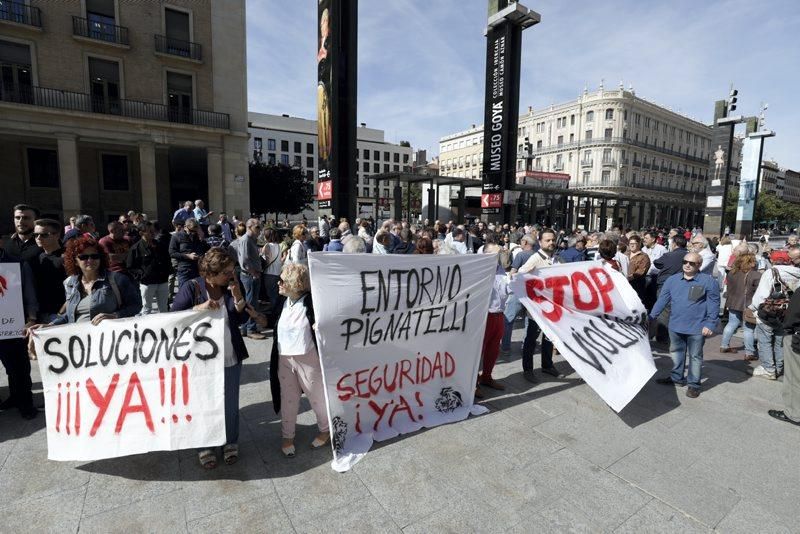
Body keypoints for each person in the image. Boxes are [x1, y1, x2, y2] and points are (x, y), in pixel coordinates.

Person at [171, 247, 249, 468]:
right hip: (200, 359)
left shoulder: (233, 286)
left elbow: (240, 319)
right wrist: (199, 308)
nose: (231, 276)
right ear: (210, 273)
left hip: (230, 354)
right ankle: (205, 445)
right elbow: (174, 317)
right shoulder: (192, 287)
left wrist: (238, 298)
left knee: (230, 403)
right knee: (204, 402)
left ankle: (230, 441)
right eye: (226, 273)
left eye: (232, 271)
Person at [269, 263, 329, 457]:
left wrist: (319, 326)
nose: (278, 283)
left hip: (308, 358)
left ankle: (326, 430)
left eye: (282, 281)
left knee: (317, 398)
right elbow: (272, 322)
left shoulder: (312, 302)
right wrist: (258, 317)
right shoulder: (282, 301)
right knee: (288, 399)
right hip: (284, 358)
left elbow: (325, 324)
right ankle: (287, 436)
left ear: (295, 284)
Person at [650, 252, 720, 398]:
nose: (687, 265)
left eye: (692, 263)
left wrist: (711, 324)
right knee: (676, 352)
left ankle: (694, 384)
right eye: (685, 262)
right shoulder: (672, 280)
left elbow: (714, 304)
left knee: (695, 356)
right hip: (675, 325)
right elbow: (662, 300)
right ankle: (676, 378)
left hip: (697, 327)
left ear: (699, 265)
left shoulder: (708, 281)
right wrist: (651, 316)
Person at [47, 236, 141, 327]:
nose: (90, 260)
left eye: (95, 256)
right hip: (79, 339)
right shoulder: (70, 283)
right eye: (83, 257)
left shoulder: (118, 279)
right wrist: (49, 326)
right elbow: (69, 315)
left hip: (108, 337)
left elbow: (135, 306)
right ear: (75, 261)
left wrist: (115, 315)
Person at [748, 245, 800, 380]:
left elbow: (761, 296)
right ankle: (779, 367)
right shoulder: (797, 273)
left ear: (774, 261)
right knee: (779, 341)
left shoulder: (771, 272)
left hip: (769, 313)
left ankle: (768, 369)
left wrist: (754, 309)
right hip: (787, 314)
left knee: (765, 340)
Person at [518, 228, 563, 381]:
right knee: (531, 339)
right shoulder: (535, 259)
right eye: (547, 240)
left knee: (549, 337)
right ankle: (528, 369)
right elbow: (520, 274)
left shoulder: (557, 258)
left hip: (552, 306)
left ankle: (547, 365)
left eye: (552, 240)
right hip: (536, 308)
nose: (551, 243)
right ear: (540, 242)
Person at [475, 243, 509, 398]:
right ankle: (473, 382)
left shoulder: (502, 271)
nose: (500, 255)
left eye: (500, 252)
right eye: (496, 253)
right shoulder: (479, 271)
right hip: (484, 316)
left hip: (499, 314)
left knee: (493, 350)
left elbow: (508, 289)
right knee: (478, 352)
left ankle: (487, 377)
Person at [768, 288, 800, 426]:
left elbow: (792, 317)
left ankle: (794, 413)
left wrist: (787, 328)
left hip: (797, 338)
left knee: (794, 377)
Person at [720, 252, 761, 360]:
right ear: (751, 262)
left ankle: (724, 346)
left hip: (733, 302)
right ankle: (749, 353)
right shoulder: (756, 275)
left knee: (731, 324)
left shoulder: (731, 273)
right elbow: (759, 292)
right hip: (748, 305)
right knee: (748, 329)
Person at [126, 221, 171, 314]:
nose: (152, 233)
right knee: (146, 309)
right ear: (141, 233)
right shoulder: (136, 248)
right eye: (149, 231)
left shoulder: (160, 245)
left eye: (153, 231)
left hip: (162, 281)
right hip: (147, 283)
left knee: (164, 309)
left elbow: (167, 260)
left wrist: (167, 272)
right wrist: (142, 276)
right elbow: (130, 267)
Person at [232, 218, 265, 339]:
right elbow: (244, 261)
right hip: (250, 275)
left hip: (252, 275)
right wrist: (253, 272)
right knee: (251, 303)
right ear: (249, 227)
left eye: (259, 227)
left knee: (251, 301)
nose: (259, 230)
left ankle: (247, 328)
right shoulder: (246, 239)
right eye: (257, 227)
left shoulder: (250, 239)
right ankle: (251, 329)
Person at [30, 218, 66, 323]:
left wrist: (61, 313)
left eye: (44, 235)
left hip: (60, 315)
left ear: (57, 235)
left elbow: (75, 289)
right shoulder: (37, 258)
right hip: (39, 315)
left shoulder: (67, 257)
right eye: (35, 235)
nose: (38, 238)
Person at [169, 218, 209, 289]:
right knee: (184, 292)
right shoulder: (177, 236)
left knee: (198, 293)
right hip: (185, 269)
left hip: (198, 269)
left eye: (195, 231)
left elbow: (208, 249)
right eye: (191, 230)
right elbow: (172, 253)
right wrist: (187, 256)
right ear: (185, 227)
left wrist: (202, 239)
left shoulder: (198, 236)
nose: (193, 233)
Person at [261, 228, 284, 312]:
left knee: (271, 294)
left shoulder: (267, 246)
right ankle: (276, 309)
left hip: (269, 273)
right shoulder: (278, 245)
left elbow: (267, 261)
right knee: (275, 293)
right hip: (277, 272)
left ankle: (274, 311)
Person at [627, 234, 651, 301]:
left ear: (639, 244)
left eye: (634, 243)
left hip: (636, 285)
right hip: (625, 284)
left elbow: (641, 272)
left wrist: (629, 277)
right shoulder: (626, 254)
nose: (632, 245)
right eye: (630, 243)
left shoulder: (643, 256)